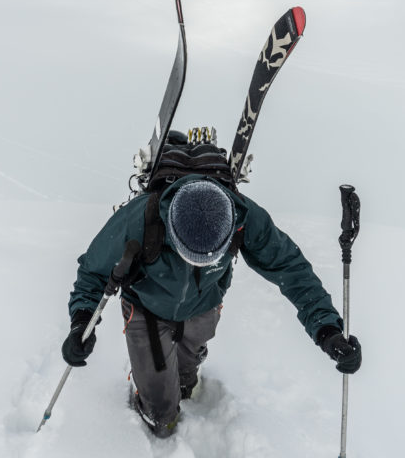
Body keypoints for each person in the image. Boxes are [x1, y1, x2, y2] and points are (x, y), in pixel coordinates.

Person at [62, 130, 362, 438]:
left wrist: (328, 331)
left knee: (185, 382)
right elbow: (93, 271)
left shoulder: (245, 217)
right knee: (162, 417)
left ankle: (183, 371)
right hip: (147, 308)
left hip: (204, 307)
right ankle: (150, 394)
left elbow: (292, 269)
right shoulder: (140, 217)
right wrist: (81, 322)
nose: (196, 262)